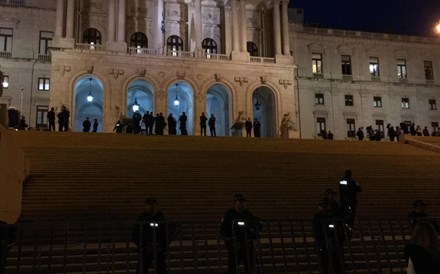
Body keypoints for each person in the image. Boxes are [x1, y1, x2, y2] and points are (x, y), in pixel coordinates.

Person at [220, 194, 261, 274]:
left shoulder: (247, 213)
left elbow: (251, 225)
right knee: (233, 265)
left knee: (249, 265)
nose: (242, 204)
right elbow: (225, 229)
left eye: (243, 203)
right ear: (235, 203)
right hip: (235, 243)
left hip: (246, 243)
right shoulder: (229, 214)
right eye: (240, 202)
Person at [132, 197, 170, 274]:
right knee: (142, 269)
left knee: (161, 269)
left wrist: (161, 245)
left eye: (152, 204)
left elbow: (166, 233)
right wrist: (145, 245)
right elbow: (135, 234)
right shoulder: (142, 217)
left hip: (157, 248)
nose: (150, 207)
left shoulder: (160, 217)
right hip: (146, 248)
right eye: (148, 205)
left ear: (156, 205)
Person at [312, 201, 346, 274]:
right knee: (325, 259)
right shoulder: (319, 217)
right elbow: (318, 230)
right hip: (323, 241)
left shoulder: (331, 216)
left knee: (334, 259)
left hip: (330, 240)